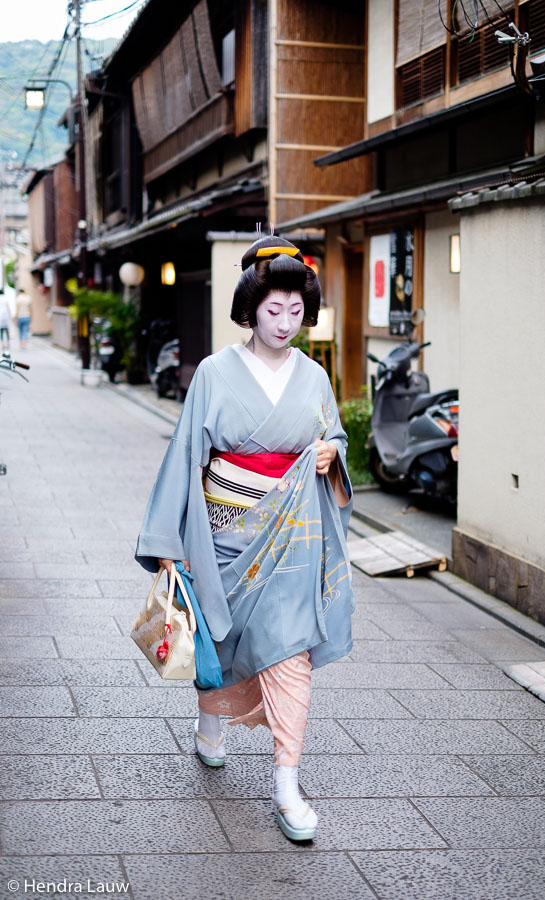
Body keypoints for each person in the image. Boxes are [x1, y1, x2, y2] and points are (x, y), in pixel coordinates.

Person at [136, 234, 353, 842]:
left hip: (292, 535)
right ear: (250, 310)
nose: (285, 323)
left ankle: (286, 783)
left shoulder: (314, 377)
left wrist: (331, 451)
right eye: (273, 310)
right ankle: (212, 724)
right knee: (223, 642)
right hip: (225, 532)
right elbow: (186, 453)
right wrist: (168, 540)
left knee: (292, 652)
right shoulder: (214, 372)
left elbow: (333, 436)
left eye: (295, 311)